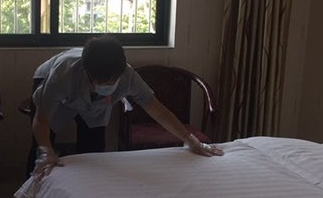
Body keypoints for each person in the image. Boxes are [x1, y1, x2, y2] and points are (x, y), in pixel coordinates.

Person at [27, 35, 223, 179]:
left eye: (113, 81)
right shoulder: (63, 75)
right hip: (51, 84)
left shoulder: (128, 76)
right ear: (87, 74)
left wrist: (190, 139)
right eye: (103, 82)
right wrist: (46, 150)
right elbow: (41, 120)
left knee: (93, 148)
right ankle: (32, 192)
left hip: (93, 104)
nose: (108, 85)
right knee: (42, 148)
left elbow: (158, 110)